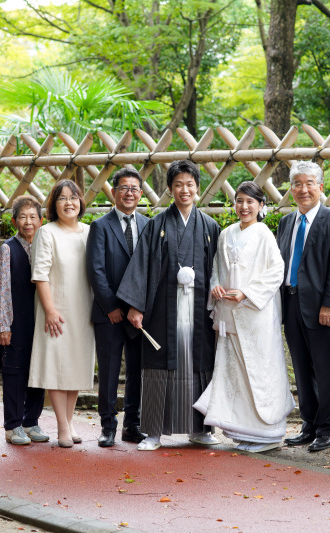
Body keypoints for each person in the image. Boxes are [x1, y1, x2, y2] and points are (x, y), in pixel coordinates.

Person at [117, 159, 220, 451]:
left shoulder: (210, 226)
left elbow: (219, 271)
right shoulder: (157, 225)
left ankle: (200, 429)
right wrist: (136, 306)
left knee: (200, 366)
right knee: (158, 368)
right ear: (170, 189)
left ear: (198, 188)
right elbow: (141, 266)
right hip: (163, 310)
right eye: (178, 185)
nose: (184, 190)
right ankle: (153, 432)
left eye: (190, 184)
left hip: (200, 310)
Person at [194, 181, 294, 453]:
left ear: (261, 205)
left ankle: (268, 434)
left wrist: (247, 293)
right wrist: (216, 286)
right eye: (239, 200)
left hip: (256, 315)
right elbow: (217, 268)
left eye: (250, 201)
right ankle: (245, 432)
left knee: (260, 371)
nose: (244, 206)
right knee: (237, 374)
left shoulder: (264, 234)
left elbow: (276, 270)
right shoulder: (226, 233)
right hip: (230, 313)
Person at [277, 161, 330, 453]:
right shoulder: (286, 222)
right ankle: (309, 424)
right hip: (290, 302)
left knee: (325, 368)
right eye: (297, 184)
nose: (303, 189)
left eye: (309, 183)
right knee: (301, 368)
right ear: (291, 189)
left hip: (321, 307)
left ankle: (329, 427)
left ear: (321, 187)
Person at [29, 180, 95, 448]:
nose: (69, 203)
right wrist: (50, 310)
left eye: (74, 197)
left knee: (76, 365)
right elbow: (40, 274)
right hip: (56, 309)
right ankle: (61, 426)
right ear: (53, 204)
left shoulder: (90, 232)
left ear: (81, 202)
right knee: (56, 365)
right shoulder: (47, 232)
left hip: (84, 309)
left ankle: (69, 421)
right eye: (62, 198)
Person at [87, 169, 149, 448]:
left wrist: (139, 306)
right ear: (113, 192)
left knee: (137, 372)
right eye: (124, 188)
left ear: (141, 194)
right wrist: (111, 306)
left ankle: (132, 425)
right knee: (109, 371)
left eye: (134, 189)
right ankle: (108, 426)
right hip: (108, 314)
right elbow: (96, 270)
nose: (129, 193)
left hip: (138, 314)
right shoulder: (100, 226)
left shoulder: (148, 225)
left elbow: (151, 269)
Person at [0, 196, 50, 446]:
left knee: (38, 369)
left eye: (33, 217)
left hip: (41, 319)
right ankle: (13, 425)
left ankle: (31, 421)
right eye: (23, 217)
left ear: (41, 220)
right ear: (14, 221)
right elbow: (2, 289)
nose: (28, 222)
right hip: (16, 320)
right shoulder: (8, 249)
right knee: (14, 372)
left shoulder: (45, 246)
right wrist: (3, 325)